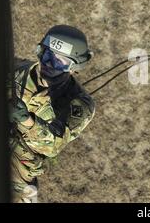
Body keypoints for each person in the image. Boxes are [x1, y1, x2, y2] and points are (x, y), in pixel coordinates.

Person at [8, 25, 95, 202]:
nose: (48, 63)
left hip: (17, 176)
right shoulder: (17, 70)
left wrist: (26, 120)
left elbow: (52, 146)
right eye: (46, 54)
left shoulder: (78, 103)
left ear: (74, 67)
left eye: (59, 61)